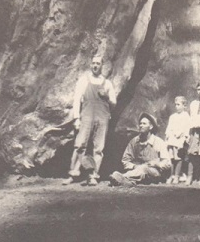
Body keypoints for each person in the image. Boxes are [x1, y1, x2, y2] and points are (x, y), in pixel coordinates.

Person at [65, 55, 116, 186]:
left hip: (102, 117)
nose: (95, 66)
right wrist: (76, 118)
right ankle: (73, 173)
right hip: (87, 115)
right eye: (93, 63)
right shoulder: (84, 80)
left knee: (98, 148)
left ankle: (93, 175)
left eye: (98, 63)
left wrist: (106, 97)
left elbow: (114, 103)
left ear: (101, 66)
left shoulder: (107, 83)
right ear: (90, 65)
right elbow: (77, 99)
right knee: (80, 144)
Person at [109, 113, 171, 186]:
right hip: (137, 172)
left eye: (144, 124)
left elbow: (167, 163)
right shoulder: (134, 141)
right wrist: (134, 166)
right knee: (141, 169)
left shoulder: (159, 142)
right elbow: (125, 160)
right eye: (140, 124)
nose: (141, 126)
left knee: (144, 168)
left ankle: (123, 177)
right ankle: (128, 182)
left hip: (154, 173)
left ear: (150, 126)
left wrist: (156, 164)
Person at [165, 96, 191, 184]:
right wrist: (168, 134)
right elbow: (169, 128)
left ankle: (177, 176)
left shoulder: (186, 116)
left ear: (184, 106)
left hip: (179, 140)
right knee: (171, 158)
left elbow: (187, 128)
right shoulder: (172, 116)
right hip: (172, 139)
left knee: (178, 158)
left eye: (179, 104)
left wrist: (184, 137)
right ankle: (171, 176)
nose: (177, 106)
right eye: (175, 104)